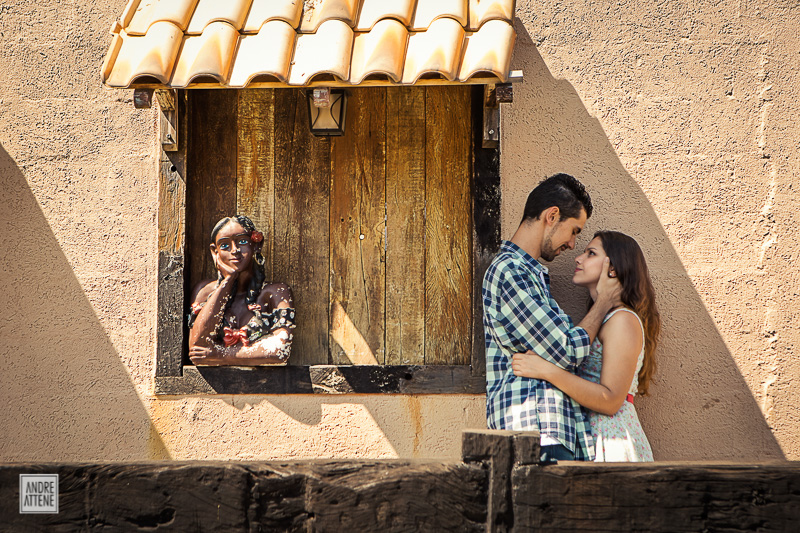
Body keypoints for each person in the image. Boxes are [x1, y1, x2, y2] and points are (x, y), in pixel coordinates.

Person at [482, 173, 621, 462]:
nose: (572, 245)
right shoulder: (510, 273)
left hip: (546, 431)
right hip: (534, 431)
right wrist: (604, 302)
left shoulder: (530, 275)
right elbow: (567, 351)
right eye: (574, 231)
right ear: (552, 216)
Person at [511, 231, 660, 461]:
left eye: (591, 253)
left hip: (611, 440)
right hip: (590, 437)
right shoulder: (603, 318)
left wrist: (545, 370)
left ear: (613, 268)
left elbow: (610, 401)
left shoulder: (622, 320)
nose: (578, 258)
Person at [187, 215, 295, 366]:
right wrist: (228, 281)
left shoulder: (274, 292)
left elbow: (280, 350)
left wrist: (220, 354)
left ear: (256, 245)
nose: (235, 250)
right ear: (214, 251)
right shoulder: (204, 292)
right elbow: (197, 349)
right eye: (224, 245)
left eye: (242, 242)